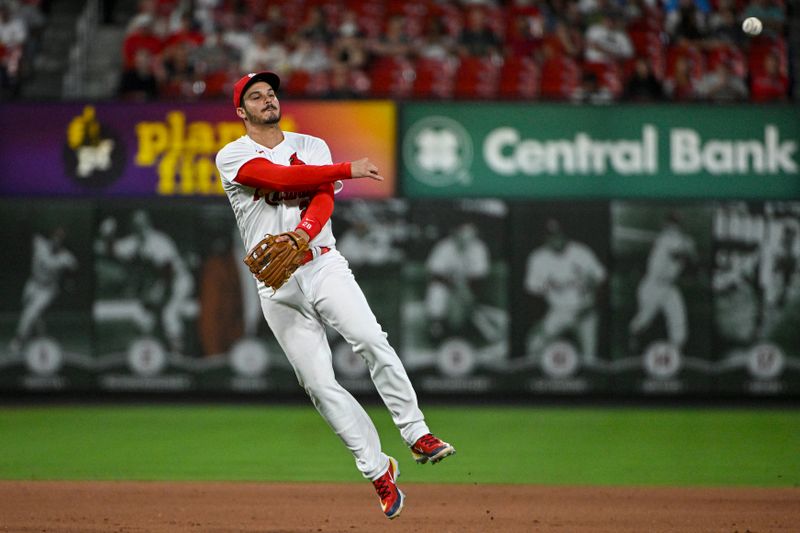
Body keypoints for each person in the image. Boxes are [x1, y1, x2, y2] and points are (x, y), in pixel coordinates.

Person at [214, 71, 455, 520]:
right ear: (241, 111)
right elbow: (280, 180)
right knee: (319, 385)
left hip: (322, 262)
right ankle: (379, 471)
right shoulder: (232, 155)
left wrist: (304, 235)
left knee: (370, 338)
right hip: (275, 283)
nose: (267, 99)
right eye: (256, 96)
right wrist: (350, 168)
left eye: (270, 93)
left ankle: (417, 432)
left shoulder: (311, 146)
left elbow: (320, 196)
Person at [95, 209, 195, 354]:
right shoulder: (134, 241)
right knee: (144, 318)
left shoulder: (159, 241)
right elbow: (113, 251)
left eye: (142, 224)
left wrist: (158, 291)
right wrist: (107, 236)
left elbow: (169, 270)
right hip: (159, 283)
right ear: (132, 226)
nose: (139, 227)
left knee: (169, 314)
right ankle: (152, 353)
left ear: (148, 224)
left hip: (178, 282)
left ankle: (178, 353)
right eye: (136, 224)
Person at [524, 219, 606, 367]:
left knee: (591, 359)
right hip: (559, 311)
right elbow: (531, 289)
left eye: (558, 234)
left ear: (565, 234)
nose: (556, 239)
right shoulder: (538, 258)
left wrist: (593, 303)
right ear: (545, 239)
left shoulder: (581, 252)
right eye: (551, 236)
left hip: (585, 311)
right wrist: (539, 321)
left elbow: (601, 278)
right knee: (534, 345)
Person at [628, 211, 698, 355]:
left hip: (669, 287)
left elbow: (693, 262)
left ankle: (676, 353)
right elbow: (677, 253)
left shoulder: (679, 239)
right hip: (653, 286)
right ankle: (633, 337)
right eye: (671, 224)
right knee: (643, 320)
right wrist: (689, 247)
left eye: (676, 224)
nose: (673, 227)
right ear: (665, 225)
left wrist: (691, 250)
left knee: (679, 320)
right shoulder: (665, 240)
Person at [9, 227, 77, 354]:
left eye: (61, 239)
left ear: (64, 242)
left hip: (48, 290)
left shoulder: (66, 257)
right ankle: (41, 337)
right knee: (32, 314)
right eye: (55, 236)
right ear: (51, 236)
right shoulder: (40, 243)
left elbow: (74, 270)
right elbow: (23, 233)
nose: (57, 240)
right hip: (32, 284)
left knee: (29, 314)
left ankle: (18, 341)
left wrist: (69, 282)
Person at [424, 222, 490, 342]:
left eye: (470, 234)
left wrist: (466, 291)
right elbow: (435, 274)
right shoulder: (444, 246)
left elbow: (479, 277)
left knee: (467, 312)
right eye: (462, 233)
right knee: (436, 292)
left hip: (469, 288)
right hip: (446, 286)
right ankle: (436, 326)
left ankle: (470, 329)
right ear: (456, 233)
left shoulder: (479, 248)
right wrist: (454, 285)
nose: (465, 238)